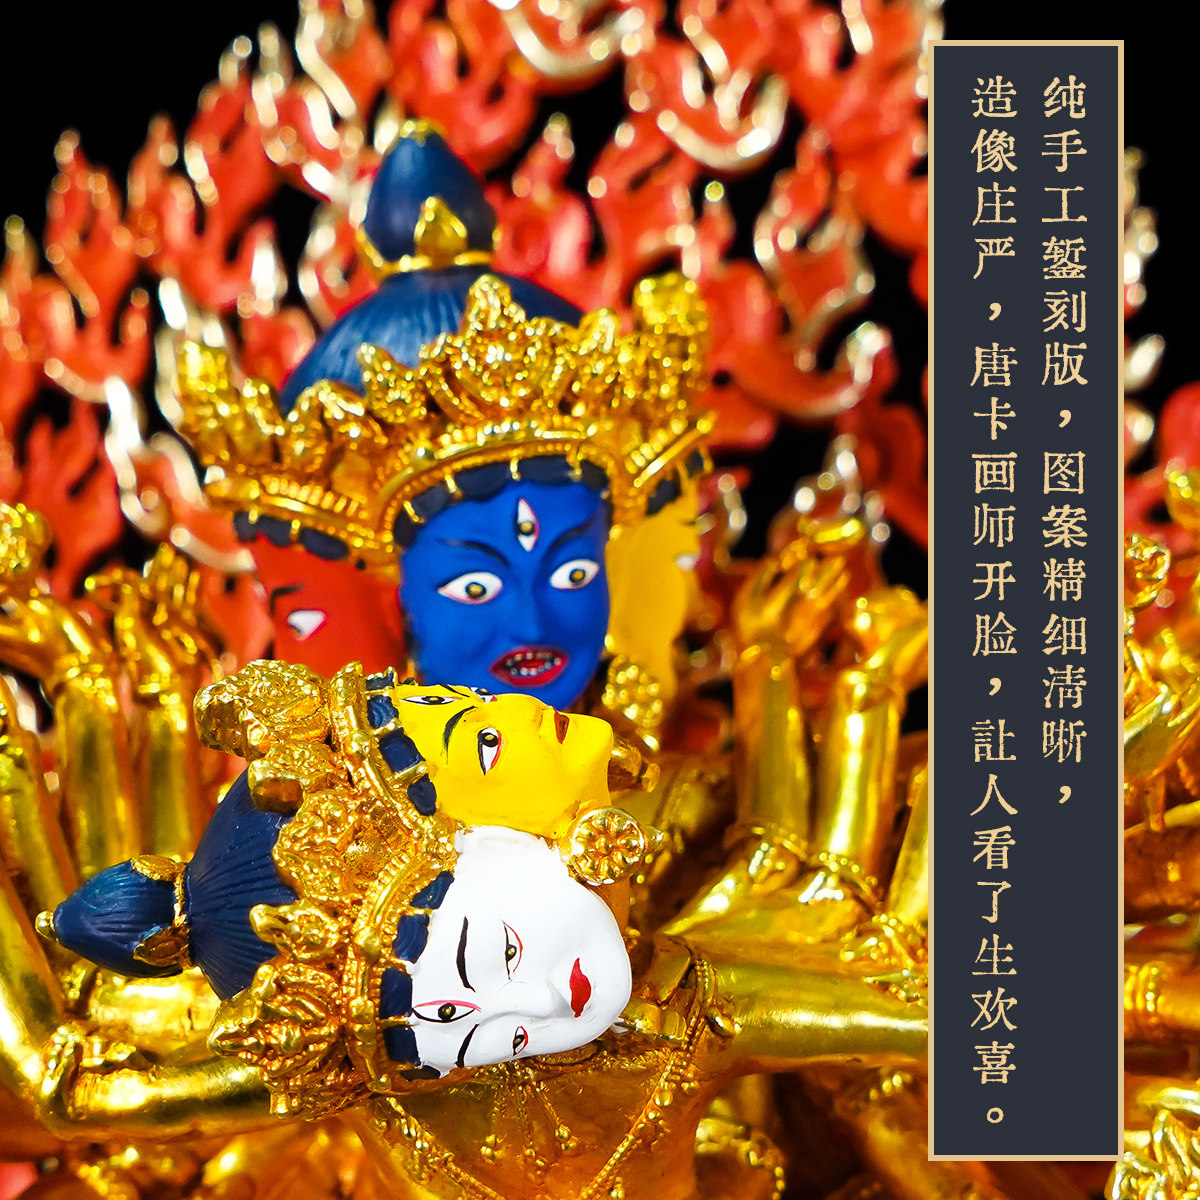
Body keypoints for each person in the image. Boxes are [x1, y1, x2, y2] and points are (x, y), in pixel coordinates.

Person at [177, 121, 709, 722]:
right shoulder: (327, 785)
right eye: (475, 587)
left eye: (574, 573)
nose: (531, 624)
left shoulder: (658, 773)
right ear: (389, 600)